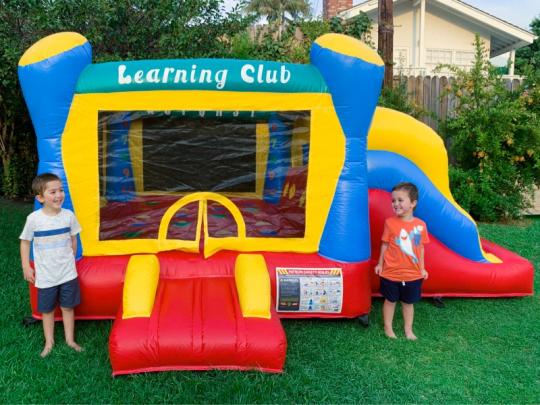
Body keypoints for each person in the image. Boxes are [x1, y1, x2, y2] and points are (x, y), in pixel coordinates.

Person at [20, 173, 83, 357]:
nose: (58, 195)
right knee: (47, 310)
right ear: (40, 197)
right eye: (52, 191)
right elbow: (25, 242)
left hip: (67, 273)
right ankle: (49, 342)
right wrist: (26, 265)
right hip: (46, 275)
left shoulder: (68, 216)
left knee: (67, 307)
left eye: (61, 190)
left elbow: (73, 236)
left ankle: (70, 340)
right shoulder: (34, 219)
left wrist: (71, 255)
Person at [374, 182, 429, 340]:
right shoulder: (390, 223)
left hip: (413, 274)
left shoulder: (420, 226)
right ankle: (388, 328)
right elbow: (384, 244)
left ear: (413, 203)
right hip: (390, 273)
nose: (395, 204)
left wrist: (422, 269)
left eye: (400, 200)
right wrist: (380, 264)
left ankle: (408, 330)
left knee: (408, 303)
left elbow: (420, 249)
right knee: (390, 301)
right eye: (393, 201)